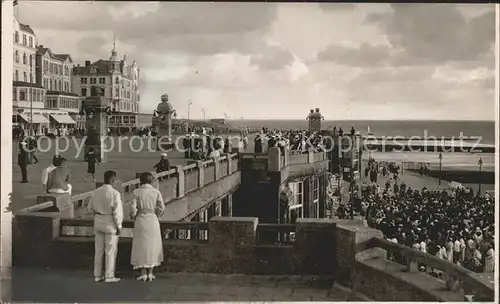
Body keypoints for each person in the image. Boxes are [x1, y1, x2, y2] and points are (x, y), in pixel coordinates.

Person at [87, 170, 123, 283]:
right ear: (113, 180)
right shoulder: (115, 193)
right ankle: (109, 275)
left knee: (98, 250)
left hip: (98, 221)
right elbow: (117, 213)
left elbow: (89, 209)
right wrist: (119, 226)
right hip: (110, 222)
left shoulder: (95, 192)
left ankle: (97, 275)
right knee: (110, 251)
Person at [130, 172, 165, 281]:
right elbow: (162, 207)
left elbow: (133, 209)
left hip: (141, 219)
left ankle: (143, 272)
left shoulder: (136, 192)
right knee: (152, 245)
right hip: (152, 219)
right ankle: (151, 272)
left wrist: (133, 216)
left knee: (141, 245)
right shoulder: (156, 192)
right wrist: (156, 214)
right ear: (151, 181)